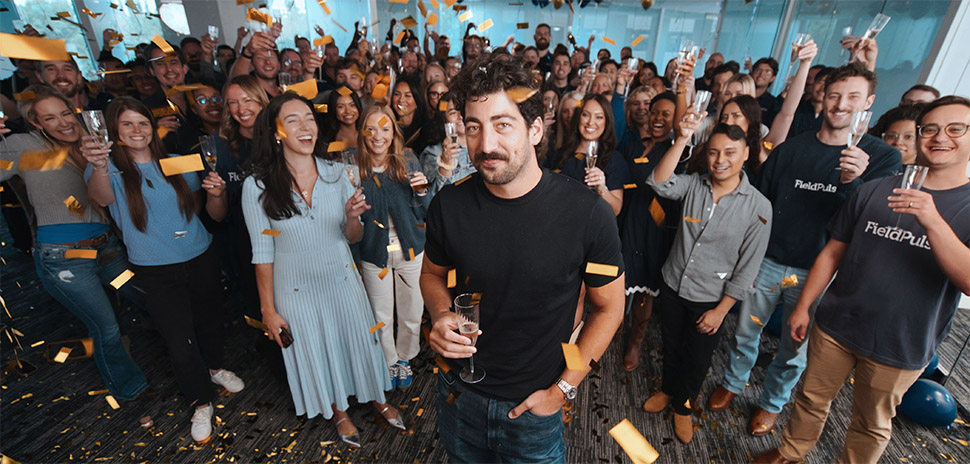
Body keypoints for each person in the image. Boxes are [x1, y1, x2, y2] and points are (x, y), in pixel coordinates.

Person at [421, 53, 624, 462]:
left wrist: (563, 390)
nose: (486, 145)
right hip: (459, 396)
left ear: (534, 130)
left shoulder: (587, 213)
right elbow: (431, 274)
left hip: (535, 405)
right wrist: (441, 314)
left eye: (502, 125)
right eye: (474, 127)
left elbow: (609, 308)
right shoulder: (450, 204)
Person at [754, 96, 970, 464]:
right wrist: (804, 305)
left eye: (956, 129)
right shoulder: (876, 188)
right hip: (838, 323)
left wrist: (932, 220)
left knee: (871, 422)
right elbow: (833, 251)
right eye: (930, 128)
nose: (940, 137)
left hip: (902, 340)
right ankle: (791, 452)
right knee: (810, 398)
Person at [707, 63, 902, 435]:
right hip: (767, 260)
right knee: (745, 332)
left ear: (869, 103)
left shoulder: (881, 158)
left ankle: (771, 404)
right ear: (822, 97)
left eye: (853, 98)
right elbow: (759, 202)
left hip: (821, 273)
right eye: (834, 96)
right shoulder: (792, 149)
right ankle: (732, 383)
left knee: (794, 349)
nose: (841, 104)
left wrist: (853, 182)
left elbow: (872, 225)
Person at [241, 93, 405, 447]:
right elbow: (262, 252)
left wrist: (350, 217)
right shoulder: (256, 186)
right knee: (316, 348)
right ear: (276, 132)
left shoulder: (336, 173)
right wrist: (268, 310)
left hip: (342, 277)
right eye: (294, 120)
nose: (306, 127)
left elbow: (353, 236)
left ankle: (378, 398)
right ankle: (339, 413)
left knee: (358, 341)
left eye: (310, 119)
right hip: (295, 289)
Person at [81, 97, 244, 444]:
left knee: (210, 321)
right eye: (127, 124)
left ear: (152, 127)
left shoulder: (176, 162)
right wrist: (96, 164)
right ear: (114, 130)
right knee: (179, 341)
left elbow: (211, 214)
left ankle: (215, 368)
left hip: (200, 255)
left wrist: (217, 193)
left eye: (142, 122)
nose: (136, 130)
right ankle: (201, 402)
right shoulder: (107, 168)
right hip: (154, 268)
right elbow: (102, 199)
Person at [0, 86, 152, 423]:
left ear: (75, 112)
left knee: (146, 296)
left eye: (65, 113)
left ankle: (177, 356)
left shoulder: (93, 140)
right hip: (65, 263)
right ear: (37, 124)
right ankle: (131, 392)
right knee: (107, 328)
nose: (62, 122)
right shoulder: (25, 147)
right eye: (49, 118)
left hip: (108, 252)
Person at [642, 121, 771, 443]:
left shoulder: (759, 207)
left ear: (746, 155)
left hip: (711, 299)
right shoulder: (694, 185)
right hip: (673, 284)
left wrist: (721, 310)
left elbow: (748, 267)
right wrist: (683, 137)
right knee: (670, 346)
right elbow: (659, 182)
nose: (720, 159)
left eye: (729, 152)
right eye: (713, 152)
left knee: (697, 359)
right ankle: (668, 390)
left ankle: (683, 407)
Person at [354, 106, 430, 390]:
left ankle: (406, 358)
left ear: (394, 133)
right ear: (362, 131)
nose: (378, 136)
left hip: (410, 251)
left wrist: (423, 191)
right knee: (380, 316)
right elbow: (348, 223)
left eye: (385, 129)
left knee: (411, 314)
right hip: (375, 254)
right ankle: (388, 361)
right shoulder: (354, 168)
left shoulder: (407, 161)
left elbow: (425, 213)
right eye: (371, 128)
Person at [617, 91, 675, 371]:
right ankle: (610, 333)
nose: (658, 118)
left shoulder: (677, 152)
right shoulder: (632, 146)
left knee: (644, 291)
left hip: (655, 227)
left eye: (666, 113)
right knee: (618, 284)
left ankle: (635, 342)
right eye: (655, 112)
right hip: (626, 221)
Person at [546, 94, 629, 216]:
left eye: (599, 117)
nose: (590, 122)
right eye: (585, 115)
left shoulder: (614, 159)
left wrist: (602, 189)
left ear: (607, 122)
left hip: (593, 229)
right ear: (578, 117)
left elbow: (616, 210)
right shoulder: (559, 154)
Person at [420, 93, 475, 196]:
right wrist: (445, 163)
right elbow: (433, 196)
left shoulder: (484, 146)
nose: (460, 117)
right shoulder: (433, 153)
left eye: (463, 111)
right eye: (453, 113)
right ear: (444, 119)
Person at [751, 57, 781, 126]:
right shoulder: (741, 94)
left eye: (767, 72)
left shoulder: (772, 103)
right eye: (758, 70)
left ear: (772, 78)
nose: (761, 74)